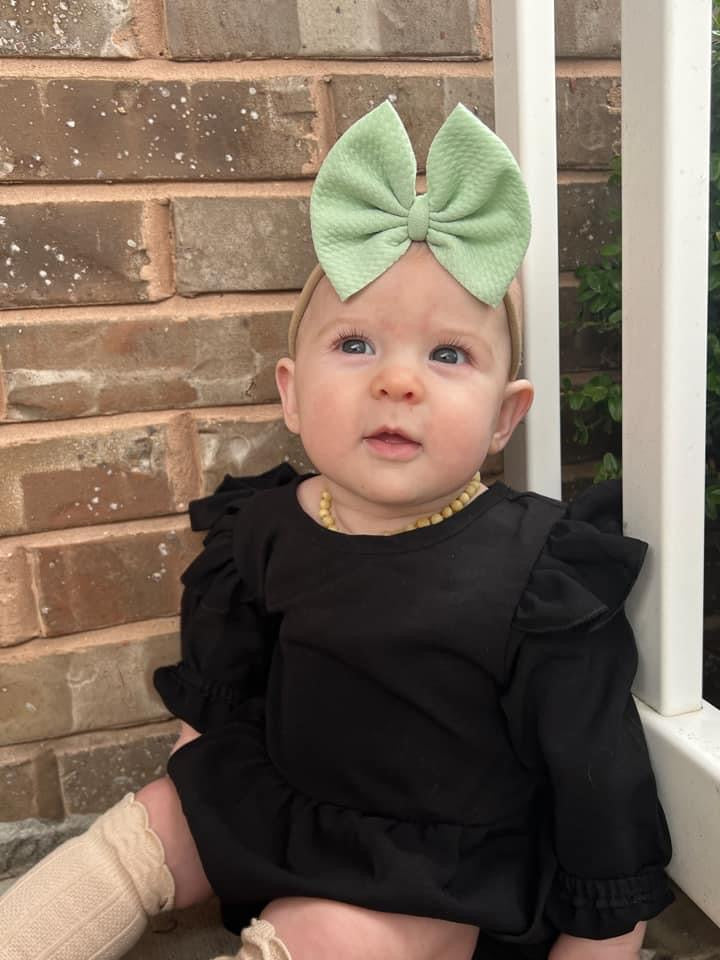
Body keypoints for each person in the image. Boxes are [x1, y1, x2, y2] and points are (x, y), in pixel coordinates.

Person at [0, 101, 673, 960]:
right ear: (290, 392)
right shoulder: (265, 527)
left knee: (313, 934)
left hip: (438, 872)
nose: (398, 381)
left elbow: (598, 791)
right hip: (286, 804)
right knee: (149, 823)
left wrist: (599, 944)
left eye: (448, 355)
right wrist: (201, 803)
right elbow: (220, 697)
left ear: (505, 418)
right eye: (355, 345)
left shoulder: (537, 574)